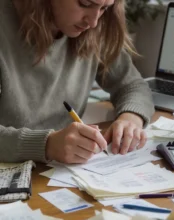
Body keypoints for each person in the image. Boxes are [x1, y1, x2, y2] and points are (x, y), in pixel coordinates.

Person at [0, 0, 155, 164]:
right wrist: (47, 144)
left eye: (104, 8)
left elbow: (133, 85)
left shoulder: (94, 31)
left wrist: (130, 119)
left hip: (58, 172)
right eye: (85, 4)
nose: (93, 22)